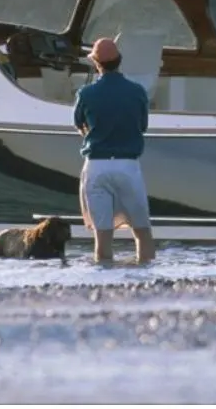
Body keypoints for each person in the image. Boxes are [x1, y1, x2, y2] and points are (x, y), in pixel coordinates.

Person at [73, 37, 156, 264]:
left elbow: (80, 126)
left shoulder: (85, 93)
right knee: (142, 233)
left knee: (102, 239)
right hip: (127, 166)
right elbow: (142, 126)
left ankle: (103, 289)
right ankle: (147, 284)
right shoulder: (137, 91)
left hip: (96, 166)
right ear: (119, 61)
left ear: (96, 64)